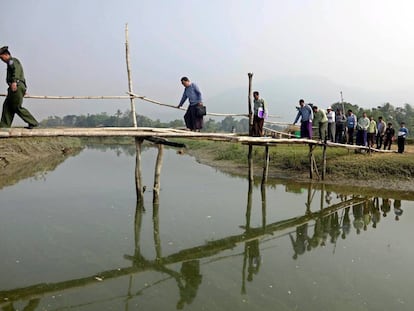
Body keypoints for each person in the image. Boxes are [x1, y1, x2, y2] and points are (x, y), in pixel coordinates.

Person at [0, 46, 38, 129]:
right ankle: (4, 126)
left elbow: (16, 71)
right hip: (16, 87)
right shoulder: (10, 63)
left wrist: (15, 82)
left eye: (1, 58)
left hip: (16, 86)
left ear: (6, 55)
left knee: (16, 107)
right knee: (7, 106)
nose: (1, 60)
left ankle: (33, 122)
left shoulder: (12, 61)